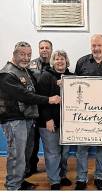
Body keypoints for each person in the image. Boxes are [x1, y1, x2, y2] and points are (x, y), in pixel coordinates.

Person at [0, 41, 61, 190]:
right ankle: (13, 186)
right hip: (14, 120)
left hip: (27, 118)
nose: (26, 58)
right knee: (17, 155)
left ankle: (20, 180)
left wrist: (56, 82)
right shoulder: (7, 73)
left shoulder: (25, 70)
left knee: (26, 154)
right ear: (14, 54)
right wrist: (49, 99)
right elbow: (25, 95)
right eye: (22, 54)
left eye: (28, 54)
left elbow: (38, 85)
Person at [74, 34, 102, 190]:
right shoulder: (82, 62)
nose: (96, 48)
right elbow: (74, 87)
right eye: (93, 45)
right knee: (82, 148)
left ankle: (100, 177)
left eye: (99, 45)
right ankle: (81, 178)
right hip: (84, 114)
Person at [37, 50, 73, 190]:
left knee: (65, 152)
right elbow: (41, 100)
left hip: (67, 123)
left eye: (62, 59)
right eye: (57, 59)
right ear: (53, 61)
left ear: (66, 61)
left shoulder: (72, 77)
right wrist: (48, 119)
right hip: (50, 121)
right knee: (53, 153)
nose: (60, 61)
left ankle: (62, 175)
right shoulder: (46, 76)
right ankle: (54, 180)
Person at [27, 40, 53, 177]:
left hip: (50, 107)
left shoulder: (56, 63)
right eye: (41, 47)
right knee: (33, 140)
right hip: (33, 108)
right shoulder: (30, 65)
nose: (44, 50)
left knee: (51, 142)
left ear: (51, 49)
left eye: (47, 47)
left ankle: (55, 169)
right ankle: (31, 167)